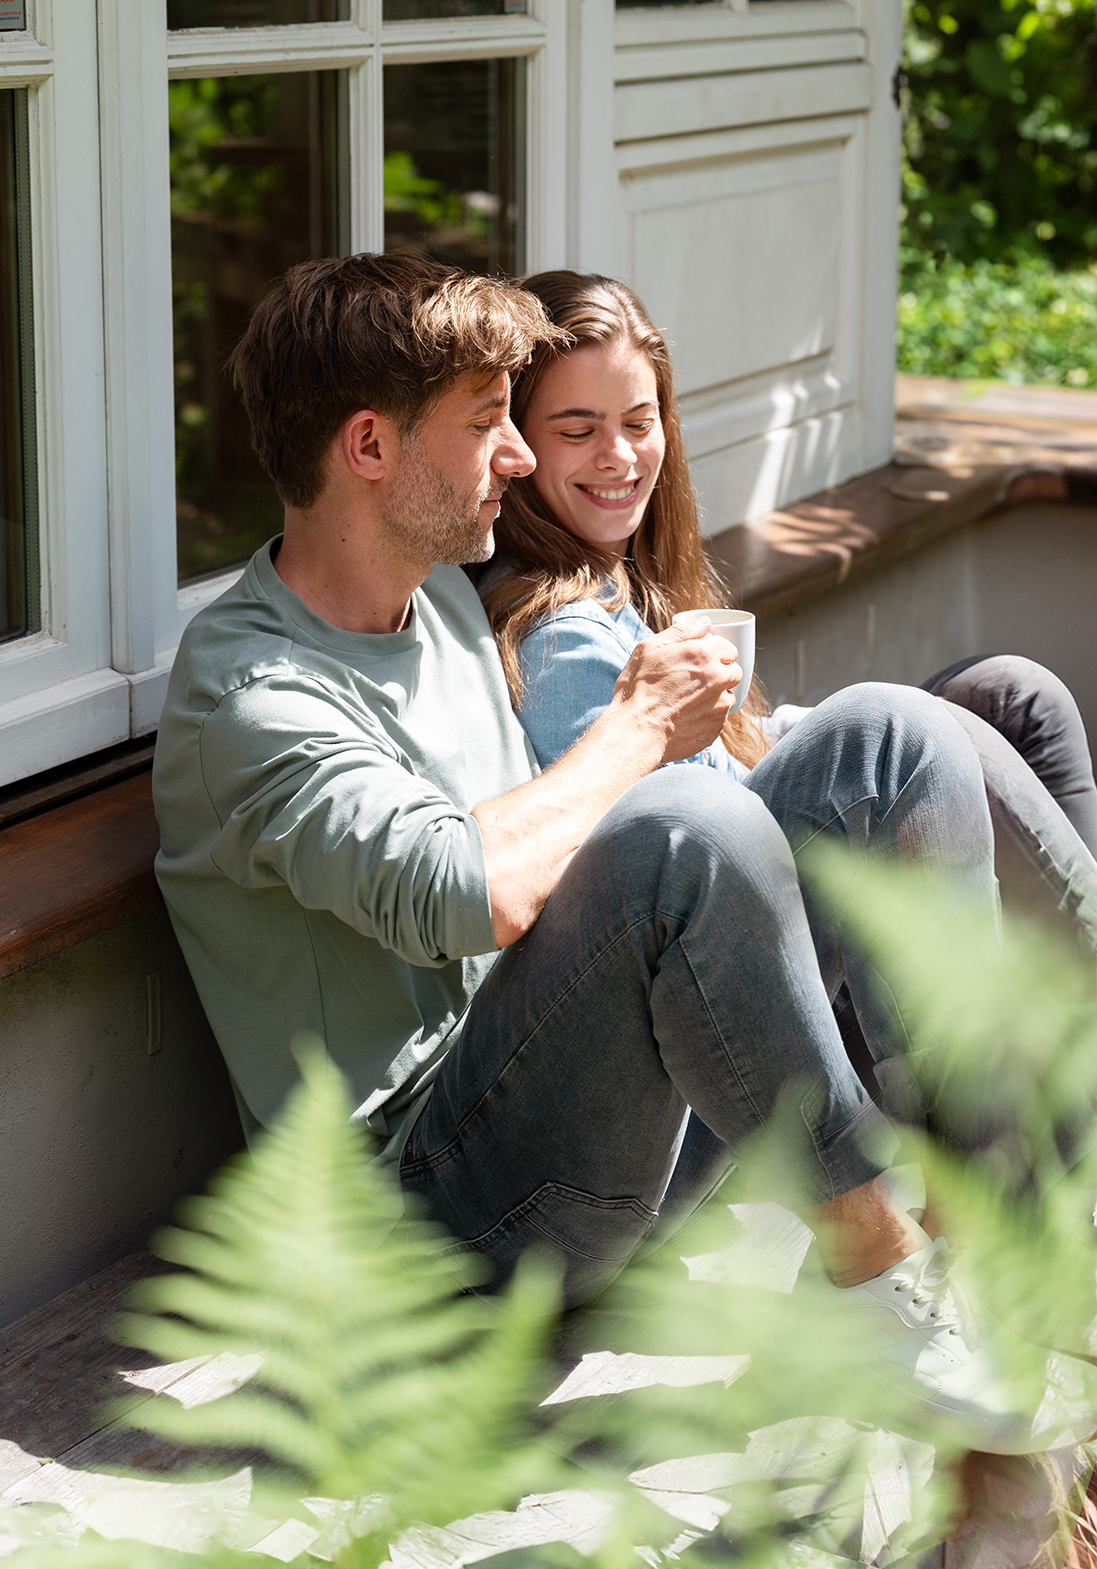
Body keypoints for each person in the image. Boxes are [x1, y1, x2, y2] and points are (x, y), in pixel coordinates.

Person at [153, 253, 1032, 1449]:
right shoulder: (250, 697)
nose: (517, 460)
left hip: (603, 1139)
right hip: (432, 1232)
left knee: (900, 735)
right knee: (684, 825)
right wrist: (633, 733)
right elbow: (470, 890)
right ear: (369, 448)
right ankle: (872, 1274)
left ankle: (978, 1243)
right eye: (484, 427)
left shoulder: (443, 603)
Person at [478, 271, 1097, 990]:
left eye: (639, 424)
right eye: (579, 431)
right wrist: (877, 743)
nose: (618, 455)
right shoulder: (561, 633)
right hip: (743, 938)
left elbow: (737, 750)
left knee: (1010, 697)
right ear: (519, 445)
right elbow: (680, 846)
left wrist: (838, 732)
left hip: (768, 845)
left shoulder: (618, 574)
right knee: (941, 739)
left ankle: (1064, 1006)